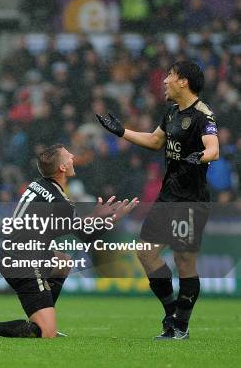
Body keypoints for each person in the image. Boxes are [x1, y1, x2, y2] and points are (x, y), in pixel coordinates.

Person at [97, 60, 219, 339]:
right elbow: (155, 141)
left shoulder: (203, 115)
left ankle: (181, 326)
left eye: (170, 76)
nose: (164, 80)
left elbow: (214, 149)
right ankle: (171, 311)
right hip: (168, 196)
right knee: (145, 252)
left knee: (184, 260)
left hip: (191, 199)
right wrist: (121, 132)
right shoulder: (172, 112)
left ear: (183, 81)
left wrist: (199, 156)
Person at [0, 144, 138, 338]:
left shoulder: (39, 185)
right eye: (68, 156)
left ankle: (46, 315)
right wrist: (113, 219)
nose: (72, 156)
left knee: (63, 262)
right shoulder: (58, 200)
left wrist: (95, 217)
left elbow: (67, 225)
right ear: (62, 168)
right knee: (46, 333)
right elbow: (85, 235)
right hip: (24, 262)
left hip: (16, 253)